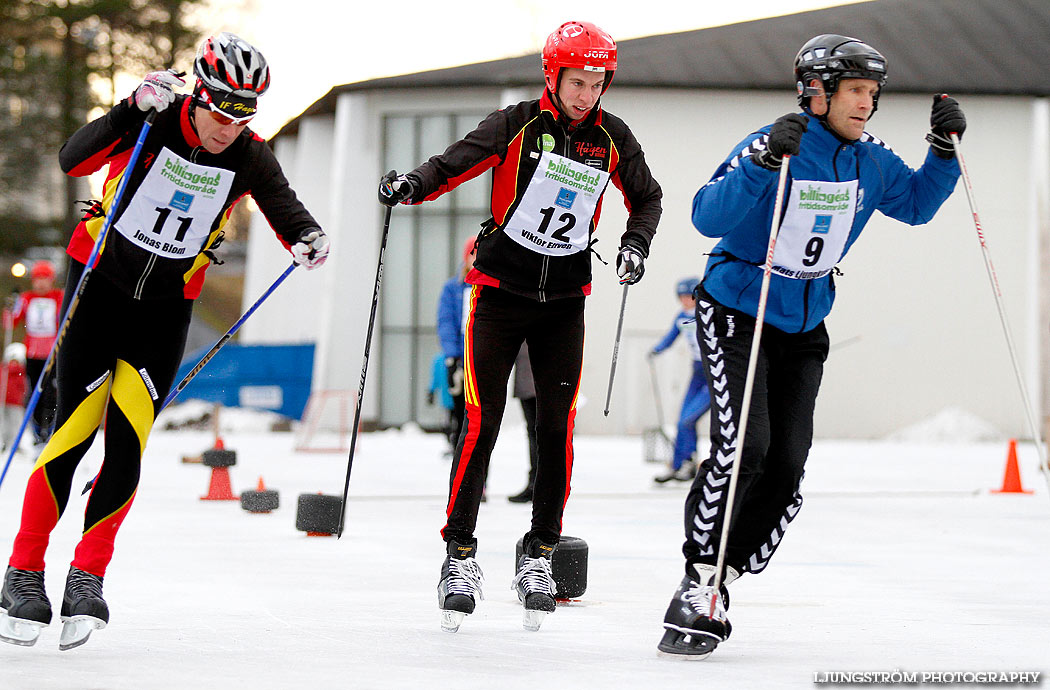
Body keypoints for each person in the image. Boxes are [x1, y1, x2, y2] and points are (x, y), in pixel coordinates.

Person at [0, 32, 329, 650]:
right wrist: (129, 107)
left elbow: (285, 207)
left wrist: (307, 236)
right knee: (73, 431)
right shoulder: (153, 119)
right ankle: (22, 570)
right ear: (197, 93)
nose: (229, 126)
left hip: (163, 309)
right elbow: (73, 159)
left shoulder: (248, 155)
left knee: (127, 442)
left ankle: (88, 575)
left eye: (244, 113)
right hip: (97, 290)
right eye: (221, 108)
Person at [658, 34, 965, 659]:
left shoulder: (870, 162)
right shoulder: (773, 144)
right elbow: (706, 216)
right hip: (739, 308)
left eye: (873, 94)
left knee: (789, 462)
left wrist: (942, 152)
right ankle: (697, 577)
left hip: (804, 321)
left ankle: (726, 575)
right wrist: (764, 162)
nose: (867, 105)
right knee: (748, 443)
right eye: (855, 91)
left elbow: (916, 205)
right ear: (815, 91)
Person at [380, 20, 661, 633]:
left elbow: (648, 197)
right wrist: (412, 186)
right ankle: (459, 557)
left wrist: (636, 244)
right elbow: (454, 165)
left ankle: (538, 556)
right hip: (498, 296)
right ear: (553, 77)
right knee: (481, 422)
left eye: (597, 83)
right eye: (577, 82)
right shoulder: (515, 123)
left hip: (565, 302)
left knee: (556, 429)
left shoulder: (613, 136)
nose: (587, 95)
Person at [648, 276, 709, 484]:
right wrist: (657, 350)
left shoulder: (706, 313)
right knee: (682, 419)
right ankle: (679, 464)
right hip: (697, 372)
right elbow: (670, 337)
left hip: (713, 371)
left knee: (688, 419)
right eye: (681, 297)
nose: (685, 301)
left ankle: (689, 462)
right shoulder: (681, 317)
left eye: (689, 297)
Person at [10, 261, 63, 445]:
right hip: (33, 353)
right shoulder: (26, 298)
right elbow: (13, 321)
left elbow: (67, 315)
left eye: (45, 279)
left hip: (53, 353)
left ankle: (50, 429)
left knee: (52, 392)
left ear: (51, 281)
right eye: (38, 279)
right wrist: (10, 310)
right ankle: (36, 431)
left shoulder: (58, 297)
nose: (41, 283)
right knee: (35, 392)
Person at [507, 343, 539, 503]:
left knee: (539, 435)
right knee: (535, 434)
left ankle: (537, 484)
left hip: (535, 384)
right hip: (527, 384)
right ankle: (535, 483)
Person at [0, 342, 27, 454]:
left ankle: (7, 443)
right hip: (15, 402)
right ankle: (13, 444)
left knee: (6, 424)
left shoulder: (3, 369)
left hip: (6, 400)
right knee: (13, 424)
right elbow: (23, 386)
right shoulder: (21, 370)